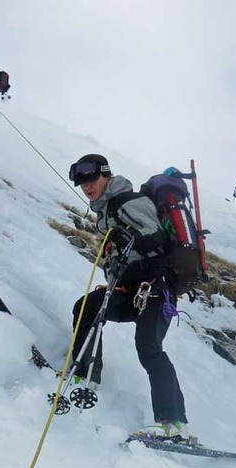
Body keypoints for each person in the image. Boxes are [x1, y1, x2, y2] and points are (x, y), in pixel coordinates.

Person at [67, 153, 189, 438]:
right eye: (82, 183)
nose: (87, 187)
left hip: (156, 289)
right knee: (87, 307)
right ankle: (85, 375)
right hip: (130, 291)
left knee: (149, 347)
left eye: (92, 179)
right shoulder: (107, 214)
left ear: (106, 175)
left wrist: (124, 237)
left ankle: (172, 423)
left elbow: (156, 240)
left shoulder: (129, 201)